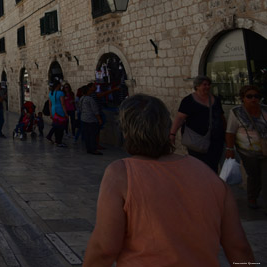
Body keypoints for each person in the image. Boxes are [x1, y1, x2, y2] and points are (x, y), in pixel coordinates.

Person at [84, 94, 253, 266]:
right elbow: (239, 247)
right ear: (167, 126)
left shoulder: (121, 174)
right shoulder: (207, 174)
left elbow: (104, 249)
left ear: (126, 131)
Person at [170, 75, 225, 173]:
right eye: (204, 85)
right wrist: (172, 134)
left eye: (208, 84)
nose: (207, 87)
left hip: (216, 140)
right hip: (196, 141)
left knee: (213, 166)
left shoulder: (216, 100)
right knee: (199, 167)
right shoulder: (188, 101)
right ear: (197, 86)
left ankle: (212, 185)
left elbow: (221, 116)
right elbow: (180, 118)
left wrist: (226, 132)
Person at [225, 85, 267, 209]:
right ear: (243, 98)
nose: (253, 99)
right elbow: (230, 132)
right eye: (249, 96)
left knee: (265, 177)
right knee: (254, 176)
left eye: (256, 96)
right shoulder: (237, 112)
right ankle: (252, 197)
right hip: (247, 151)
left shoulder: (264, 110)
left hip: (265, 150)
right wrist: (229, 149)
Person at [79, 84, 104, 155]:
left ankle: (89, 148)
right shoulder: (90, 99)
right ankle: (93, 149)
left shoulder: (82, 98)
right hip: (91, 119)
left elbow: (80, 108)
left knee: (87, 135)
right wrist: (99, 119)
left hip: (84, 118)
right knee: (93, 134)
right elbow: (95, 110)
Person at [46, 80, 67, 147]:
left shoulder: (50, 93)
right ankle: (58, 141)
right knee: (61, 127)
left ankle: (56, 140)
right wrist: (66, 113)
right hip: (60, 110)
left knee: (56, 125)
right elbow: (63, 104)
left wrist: (51, 113)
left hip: (53, 110)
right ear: (58, 85)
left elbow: (49, 104)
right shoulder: (60, 93)